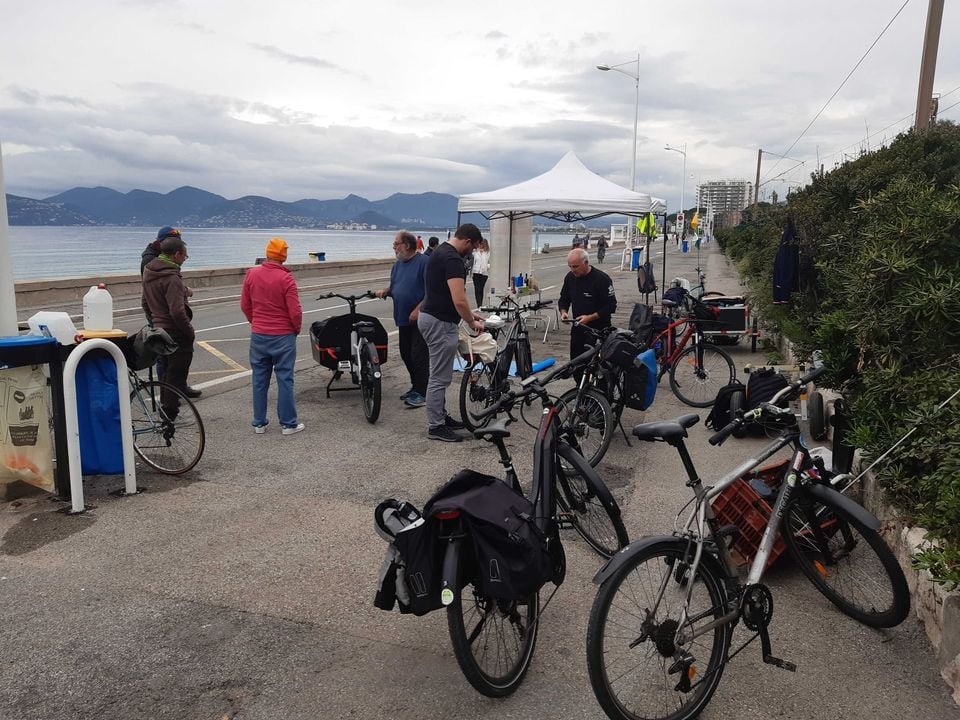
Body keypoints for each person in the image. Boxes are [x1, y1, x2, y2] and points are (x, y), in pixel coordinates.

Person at [418, 223, 485, 442]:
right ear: (467, 241)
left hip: (431, 317)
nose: (473, 252)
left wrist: (470, 314)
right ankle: (436, 426)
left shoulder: (439, 252)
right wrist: (471, 322)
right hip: (440, 322)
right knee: (439, 377)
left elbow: (445, 295)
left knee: (438, 373)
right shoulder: (453, 260)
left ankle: (440, 416)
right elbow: (458, 298)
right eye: (473, 247)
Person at [240, 238, 304, 435]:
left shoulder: (251, 274)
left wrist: (255, 322)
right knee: (285, 379)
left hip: (259, 334)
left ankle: (259, 423)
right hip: (283, 335)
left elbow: (245, 304)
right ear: (283, 256)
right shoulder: (286, 279)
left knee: (259, 379)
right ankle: (288, 424)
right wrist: (296, 329)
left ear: (268, 253)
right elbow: (295, 311)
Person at [141, 235, 197, 421]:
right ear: (176, 254)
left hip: (159, 329)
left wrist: (154, 322)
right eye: (184, 256)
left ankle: (165, 410)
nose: (184, 259)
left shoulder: (149, 271)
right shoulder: (171, 277)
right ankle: (170, 417)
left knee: (165, 371)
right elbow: (177, 312)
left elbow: (144, 302)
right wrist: (189, 331)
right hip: (175, 331)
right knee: (177, 374)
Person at [376, 231, 430, 408]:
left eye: (396, 243)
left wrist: (418, 309)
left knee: (418, 355)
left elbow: (432, 291)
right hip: (402, 317)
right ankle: (415, 386)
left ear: (407, 245)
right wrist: (387, 291)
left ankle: (422, 392)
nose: (394, 246)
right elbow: (397, 286)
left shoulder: (424, 263)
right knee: (406, 354)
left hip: (420, 319)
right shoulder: (397, 265)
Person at [558, 248, 617, 369]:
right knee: (576, 365)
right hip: (578, 329)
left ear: (586, 263)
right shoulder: (570, 277)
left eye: (575, 266)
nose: (572, 270)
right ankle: (579, 386)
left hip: (598, 330)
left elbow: (611, 306)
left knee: (596, 367)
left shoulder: (601, 279)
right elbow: (563, 299)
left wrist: (590, 317)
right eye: (570, 266)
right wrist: (563, 312)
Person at [471, 238, 490, 307]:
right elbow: (472, 260)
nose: (480, 245)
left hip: (484, 273)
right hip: (476, 272)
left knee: (481, 289)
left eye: (482, 244)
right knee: (477, 288)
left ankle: (480, 304)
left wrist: (487, 266)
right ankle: (479, 305)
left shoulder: (488, 252)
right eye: (479, 244)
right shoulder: (475, 252)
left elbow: (490, 262)